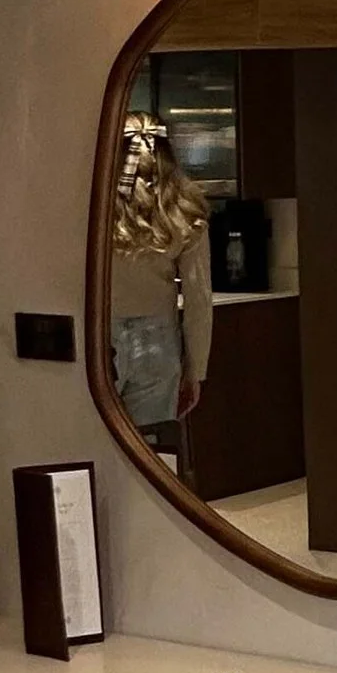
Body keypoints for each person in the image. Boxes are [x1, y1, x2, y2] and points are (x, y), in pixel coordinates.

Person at [109, 114, 212, 434]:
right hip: (158, 340)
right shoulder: (184, 208)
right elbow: (198, 301)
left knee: (93, 446)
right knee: (149, 453)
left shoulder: (92, 205)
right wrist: (196, 370)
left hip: (98, 335)